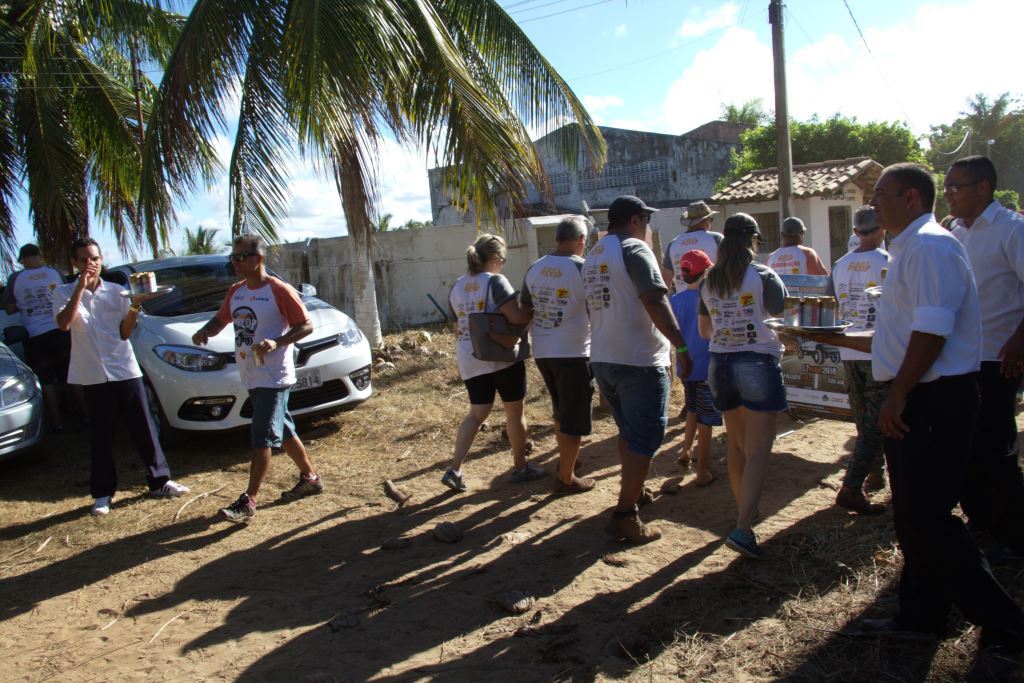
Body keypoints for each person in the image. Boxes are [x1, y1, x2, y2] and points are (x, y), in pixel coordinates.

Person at [813, 163, 1024, 678]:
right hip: (920, 393)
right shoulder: (912, 246)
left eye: (880, 195)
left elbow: (931, 333)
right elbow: (900, 335)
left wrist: (897, 395)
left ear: (910, 198)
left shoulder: (930, 246)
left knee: (930, 516)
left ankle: (1009, 627)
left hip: (935, 397)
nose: (872, 205)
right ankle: (920, 616)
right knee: (911, 516)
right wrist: (827, 337)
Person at [583, 195, 692, 544]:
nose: (646, 226)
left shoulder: (593, 255)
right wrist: (683, 346)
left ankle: (635, 490)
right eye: (645, 219)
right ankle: (625, 515)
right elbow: (655, 299)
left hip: (604, 357)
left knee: (628, 432)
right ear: (633, 220)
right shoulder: (635, 248)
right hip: (639, 359)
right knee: (645, 438)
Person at [53, 237, 188, 516]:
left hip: (124, 369)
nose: (90, 264)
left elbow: (125, 332)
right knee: (101, 436)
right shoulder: (63, 292)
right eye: (84, 260)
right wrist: (80, 287)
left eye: (95, 258)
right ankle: (103, 493)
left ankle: (159, 481)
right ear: (75, 264)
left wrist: (136, 305)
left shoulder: (117, 291)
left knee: (144, 427)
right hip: (92, 374)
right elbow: (64, 325)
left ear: (101, 259)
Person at [191, 234, 321, 522]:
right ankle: (310, 478)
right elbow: (221, 319)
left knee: (261, 437)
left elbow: (306, 325)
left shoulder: (278, 290)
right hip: (251, 373)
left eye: (240, 257)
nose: (234, 263)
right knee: (283, 429)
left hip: (273, 377)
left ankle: (248, 501)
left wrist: (277, 341)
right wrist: (205, 332)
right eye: (233, 258)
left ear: (258, 259)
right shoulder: (236, 291)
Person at [946, 155, 1024, 558]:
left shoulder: (1013, 230)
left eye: (957, 187)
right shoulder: (954, 233)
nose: (949, 195)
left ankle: (1010, 533)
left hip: (999, 356)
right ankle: (980, 523)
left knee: (996, 447)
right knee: (966, 447)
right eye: (947, 187)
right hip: (960, 359)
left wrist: (1019, 341)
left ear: (983, 187)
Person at [698, 214, 788, 560]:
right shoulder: (764, 275)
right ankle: (743, 527)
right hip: (757, 362)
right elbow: (782, 317)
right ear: (754, 240)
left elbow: (706, 331)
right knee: (759, 450)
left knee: (736, 447)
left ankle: (744, 512)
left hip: (719, 363)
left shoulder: (709, 280)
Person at [444, 233, 538, 492]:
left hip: (470, 357)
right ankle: (520, 468)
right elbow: (516, 317)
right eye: (503, 259)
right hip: (502, 358)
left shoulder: (457, 286)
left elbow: (456, 328)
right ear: (495, 258)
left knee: (476, 414)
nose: (503, 264)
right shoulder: (496, 281)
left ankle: (454, 469)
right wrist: (533, 307)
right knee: (515, 413)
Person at [520, 216, 595, 495]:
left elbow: (525, 309)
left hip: (543, 350)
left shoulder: (535, 268)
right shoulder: (582, 268)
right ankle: (566, 479)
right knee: (573, 417)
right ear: (581, 240)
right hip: (574, 351)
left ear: (557, 239)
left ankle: (567, 462)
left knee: (561, 410)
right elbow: (594, 310)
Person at [828, 206, 889, 515]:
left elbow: (834, 303)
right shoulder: (888, 262)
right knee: (875, 421)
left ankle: (875, 471)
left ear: (855, 232)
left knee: (863, 415)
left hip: (848, 347)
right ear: (882, 229)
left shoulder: (839, 265)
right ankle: (852, 485)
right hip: (877, 349)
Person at [3, 243, 72, 432]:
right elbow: (69, 296)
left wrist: (25, 305)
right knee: (71, 373)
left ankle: (57, 423)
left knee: (46, 380)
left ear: (23, 260)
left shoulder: (16, 278)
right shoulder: (55, 272)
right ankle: (85, 415)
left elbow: (9, 308)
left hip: (35, 337)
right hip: (61, 330)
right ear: (40, 256)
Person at [670, 249, 721, 487]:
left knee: (691, 408)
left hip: (685, 367)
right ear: (706, 272)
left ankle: (685, 450)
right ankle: (702, 472)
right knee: (706, 420)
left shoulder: (675, 300)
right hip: (706, 367)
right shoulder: (710, 298)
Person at [662, 201, 723, 293]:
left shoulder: (673, 244)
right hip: (713, 300)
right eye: (711, 219)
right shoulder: (716, 239)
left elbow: (666, 279)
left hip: (684, 301)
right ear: (706, 221)